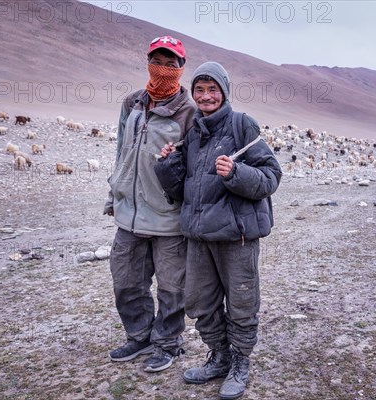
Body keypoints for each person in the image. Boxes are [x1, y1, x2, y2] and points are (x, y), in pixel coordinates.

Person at [155, 61, 281, 399]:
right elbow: (183, 190)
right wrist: (167, 166)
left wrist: (236, 173)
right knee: (200, 302)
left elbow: (271, 176)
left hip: (236, 236)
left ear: (224, 91)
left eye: (212, 89)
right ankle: (219, 357)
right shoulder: (193, 132)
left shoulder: (241, 125)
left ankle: (240, 362)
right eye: (200, 90)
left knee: (241, 302)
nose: (206, 96)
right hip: (198, 237)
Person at [103, 35, 196, 373]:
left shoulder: (190, 112)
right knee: (126, 281)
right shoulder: (132, 103)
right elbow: (121, 153)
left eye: (172, 64)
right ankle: (139, 335)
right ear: (148, 63)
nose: (164, 69)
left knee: (172, 288)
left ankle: (168, 343)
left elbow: (195, 166)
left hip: (169, 218)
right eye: (158, 61)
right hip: (129, 214)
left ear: (182, 68)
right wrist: (113, 193)